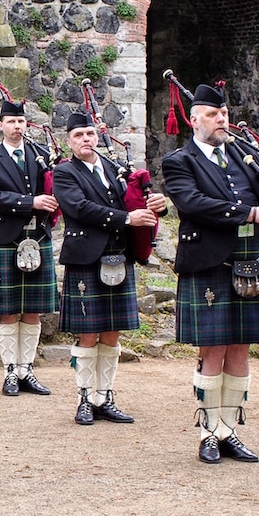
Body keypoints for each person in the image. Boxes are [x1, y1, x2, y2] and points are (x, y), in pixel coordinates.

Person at [162, 83, 259, 464]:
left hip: (250, 262)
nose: (221, 120)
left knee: (240, 347)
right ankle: (209, 433)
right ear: (194, 120)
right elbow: (193, 204)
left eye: (223, 114)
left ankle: (229, 431)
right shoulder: (180, 161)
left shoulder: (245, 155)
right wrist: (251, 214)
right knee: (213, 351)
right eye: (212, 114)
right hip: (209, 263)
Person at [52, 112, 166, 426]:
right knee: (88, 335)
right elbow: (79, 208)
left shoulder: (117, 169)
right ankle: (85, 398)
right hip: (87, 259)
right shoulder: (64, 173)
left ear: (98, 136)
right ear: (69, 141)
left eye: (90, 133)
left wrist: (156, 204)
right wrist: (128, 219)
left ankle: (105, 396)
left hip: (120, 257)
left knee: (112, 335)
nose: (86, 139)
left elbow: (138, 197)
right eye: (79, 135)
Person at [0, 100, 58, 396]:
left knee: (33, 310)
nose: (17, 126)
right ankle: (10, 371)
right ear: (1, 125)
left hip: (38, 239)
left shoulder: (41, 155)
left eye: (21, 121)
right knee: (8, 311)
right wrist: (30, 203)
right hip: (4, 239)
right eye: (11, 121)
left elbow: (53, 185)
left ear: (26, 124)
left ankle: (27, 370)